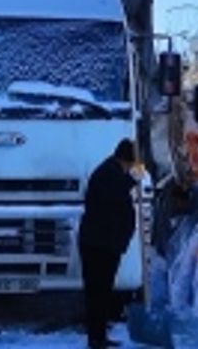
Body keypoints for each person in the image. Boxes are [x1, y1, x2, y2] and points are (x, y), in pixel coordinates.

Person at [78, 139, 139, 349]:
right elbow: (115, 197)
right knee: (98, 293)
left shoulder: (112, 172)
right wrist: (134, 178)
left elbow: (121, 191)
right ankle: (96, 339)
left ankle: (99, 337)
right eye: (132, 164)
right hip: (99, 244)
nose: (131, 168)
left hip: (104, 243)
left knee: (102, 292)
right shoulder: (107, 174)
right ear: (126, 160)